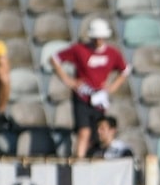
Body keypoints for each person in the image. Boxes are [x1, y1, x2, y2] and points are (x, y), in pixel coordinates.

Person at [50, 18, 131, 158]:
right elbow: (55, 59)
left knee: (96, 134)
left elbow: (125, 70)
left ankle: (92, 159)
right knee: (84, 132)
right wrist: (68, 80)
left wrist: (112, 86)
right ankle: (79, 162)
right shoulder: (79, 50)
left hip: (99, 99)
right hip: (82, 97)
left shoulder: (112, 53)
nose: (99, 40)